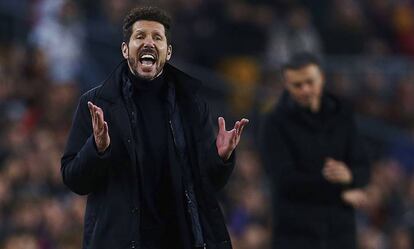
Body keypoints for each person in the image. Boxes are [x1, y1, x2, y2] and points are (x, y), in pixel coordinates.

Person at [61, 7, 248, 249]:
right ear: (125, 49)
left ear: (168, 52)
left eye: (157, 38)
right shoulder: (96, 103)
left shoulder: (190, 104)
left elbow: (209, 184)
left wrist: (221, 158)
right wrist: (97, 149)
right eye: (140, 36)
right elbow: (73, 179)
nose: (148, 42)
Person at [260, 52, 369, 249]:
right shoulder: (274, 123)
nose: (305, 90)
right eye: (297, 85)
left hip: (340, 235)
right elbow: (284, 181)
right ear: (286, 84)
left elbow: (363, 166)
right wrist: (338, 192)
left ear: (322, 78)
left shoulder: (343, 114)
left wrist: (350, 175)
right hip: (296, 235)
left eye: (310, 82)